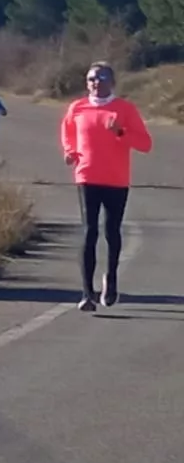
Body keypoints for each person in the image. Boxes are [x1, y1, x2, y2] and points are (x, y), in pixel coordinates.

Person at [60, 61, 154, 311]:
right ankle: (86, 293)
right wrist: (70, 151)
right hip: (86, 175)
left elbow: (145, 144)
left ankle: (111, 280)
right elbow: (68, 132)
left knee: (112, 231)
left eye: (101, 78)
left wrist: (120, 132)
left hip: (116, 179)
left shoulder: (124, 109)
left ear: (112, 82)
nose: (96, 83)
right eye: (92, 78)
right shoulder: (77, 108)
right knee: (89, 231)